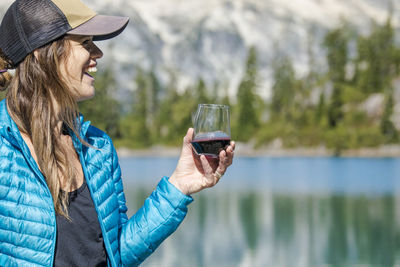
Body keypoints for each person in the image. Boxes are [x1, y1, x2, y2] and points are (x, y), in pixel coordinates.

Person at [0, 0, 235, 266]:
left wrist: (179, 186)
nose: (98, 53)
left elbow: (117, 254)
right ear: (44, 53)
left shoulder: (98, 147)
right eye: (86, 43)